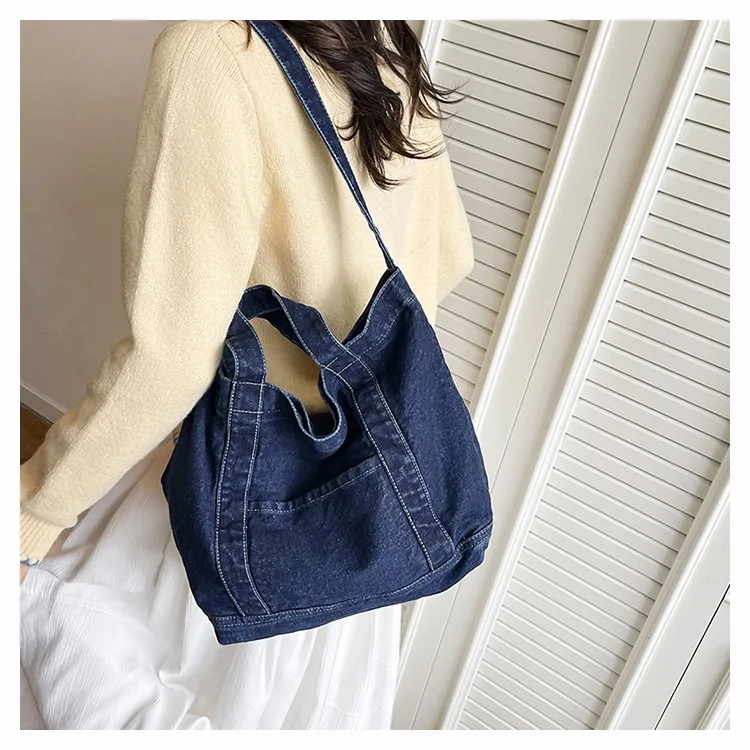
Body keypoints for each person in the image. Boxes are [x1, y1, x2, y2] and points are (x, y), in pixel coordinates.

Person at [19, 20, 474, 729]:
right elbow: (451, 254)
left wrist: (34, 513)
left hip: (248, 501)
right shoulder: (381, 34)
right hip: (368, 517)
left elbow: (170, 357)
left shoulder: (214, 53)